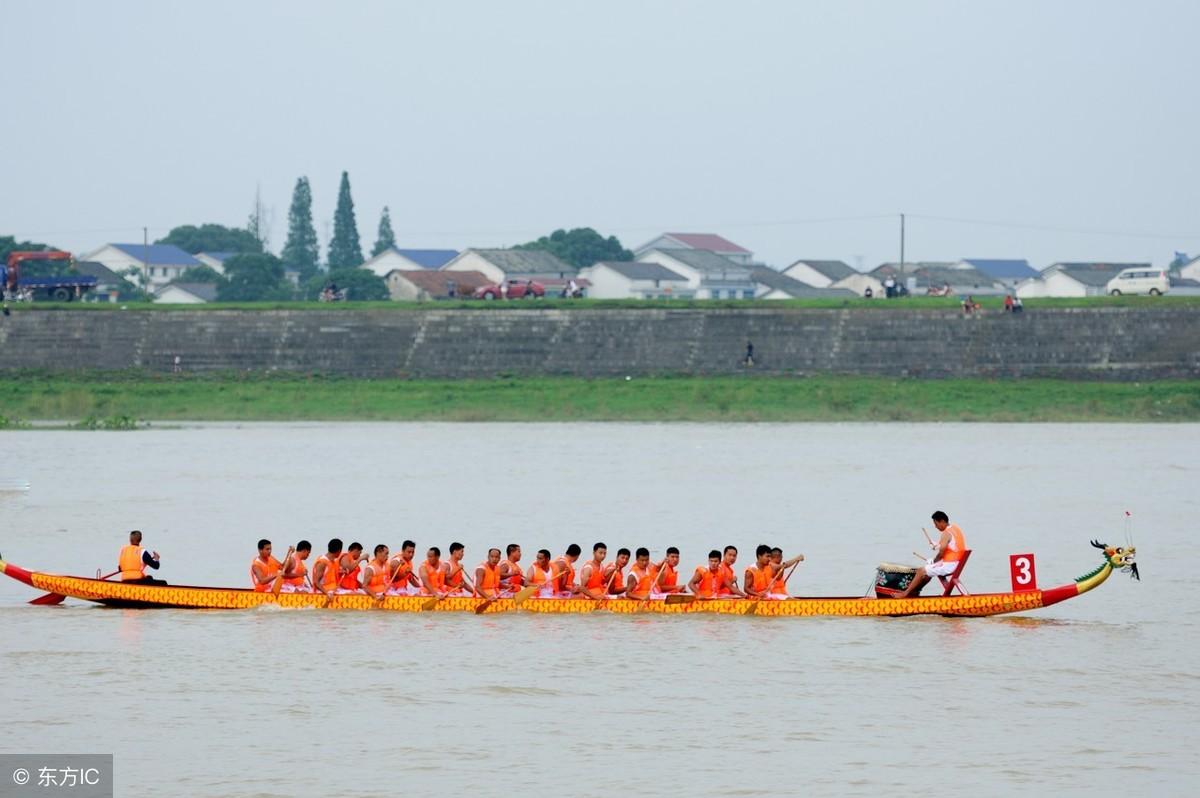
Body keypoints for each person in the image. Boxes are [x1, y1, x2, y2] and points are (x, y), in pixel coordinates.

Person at [898, 511, 967, 598]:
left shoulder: (946, 533)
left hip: (949, 566)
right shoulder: (955, 528)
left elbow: (941, 553)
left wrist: (934, 561)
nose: (935, 527)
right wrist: (936, 546)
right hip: (956, 563)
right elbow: (950, 546)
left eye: (936, 524)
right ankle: (914, 592)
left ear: (942, 521)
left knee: (921, 571)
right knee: (927, 571)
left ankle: (905, 593)